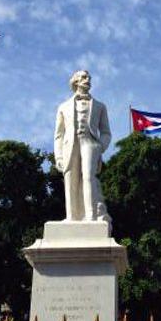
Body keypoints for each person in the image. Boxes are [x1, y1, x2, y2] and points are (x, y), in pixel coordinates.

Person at [54, 70, 112, 222]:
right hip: (70, 145)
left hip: (90, 143)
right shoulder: (63, 107)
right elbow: (59, 135)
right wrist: (58, 156)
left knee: (88, 177)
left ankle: (91, 216)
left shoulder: (100, 106)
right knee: (70, 179)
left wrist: (100, 147)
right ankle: (71, 217)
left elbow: (106, 132)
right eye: (84, 77)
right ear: (75, 82)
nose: (88, 79)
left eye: (89, 77)